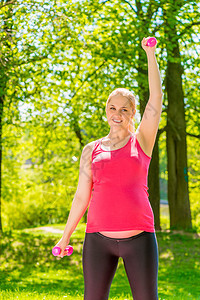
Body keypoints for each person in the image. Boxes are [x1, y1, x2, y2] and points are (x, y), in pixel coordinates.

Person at [54, 37, 163, 300]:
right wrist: (65, 236)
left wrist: (150, 53)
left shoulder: (142, 140)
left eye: (124, 109)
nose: (117, 113)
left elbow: (156, 99)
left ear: (133, 113)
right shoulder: (91, 150)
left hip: (140, 238)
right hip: (97, 240)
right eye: (112, 107)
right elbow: (82, 196)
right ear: (106, 110)